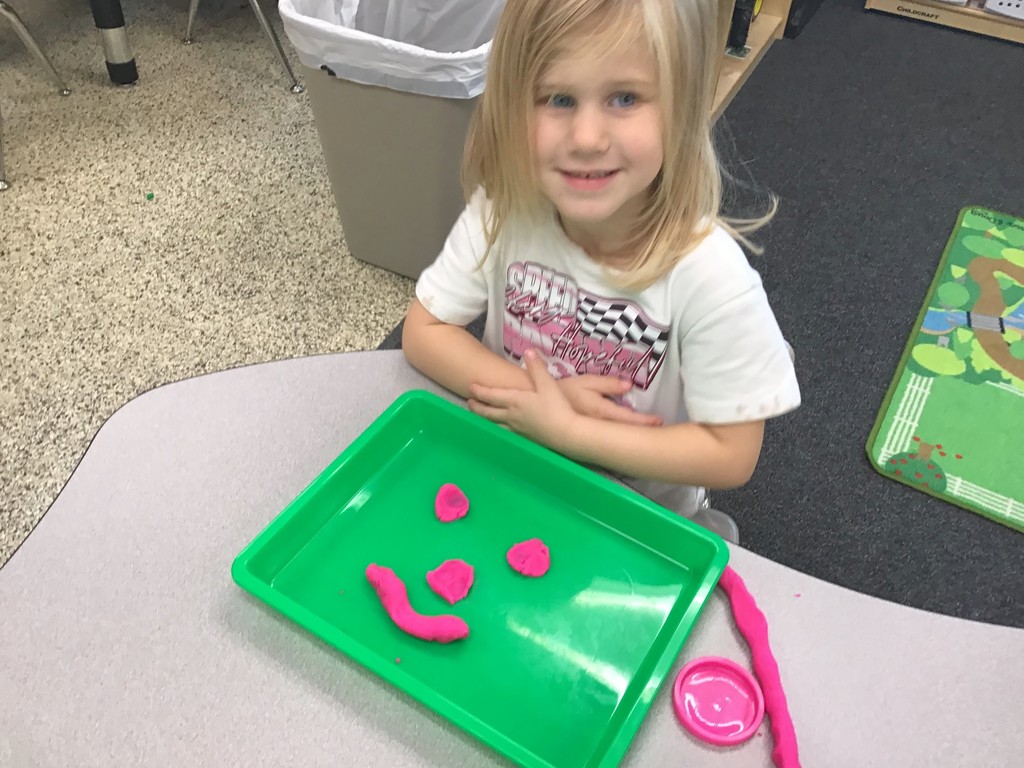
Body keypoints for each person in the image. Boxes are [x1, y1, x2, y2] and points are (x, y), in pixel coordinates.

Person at [401, 0, 800, 541]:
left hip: (641, 523)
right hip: (518, 477)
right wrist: (543, 398)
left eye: (625, 97)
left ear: (680, 108)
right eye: (558, 98)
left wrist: (570, 431)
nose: (586, 138)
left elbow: (731, 454)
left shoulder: (709, 275)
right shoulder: (504, 214)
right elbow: (424, 333)